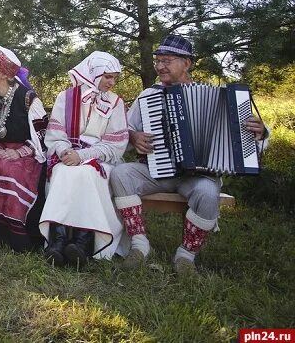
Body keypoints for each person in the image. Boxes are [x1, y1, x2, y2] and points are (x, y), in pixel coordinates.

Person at [110, 35, 269, 274]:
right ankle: (139, 245)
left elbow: (251, 145)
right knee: (121, 173)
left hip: (198, 176)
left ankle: (186, 255)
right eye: (158, 61)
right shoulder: (149, 95)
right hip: (158, 170)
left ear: (187, 63)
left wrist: (260, 134)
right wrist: (133, 137)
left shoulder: (222, 99)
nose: (160, 66)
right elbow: (123, 131)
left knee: (207, 191)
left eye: (167, 60)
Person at [40, 51, 129, 267]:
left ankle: (83, 243)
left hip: (100, 158)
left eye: (115, 78)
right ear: (93, 73)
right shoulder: (66, 97)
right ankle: (57, 243)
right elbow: (55, 136)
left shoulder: (115, 103)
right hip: (67, 155)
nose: (111, 82)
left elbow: (115, 146)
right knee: (61, 172)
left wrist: (83, 155)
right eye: (107, 76)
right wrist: (64, 152)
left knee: (88, 173)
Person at [0, 46, 47, 252]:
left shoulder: (28, 99)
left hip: (25, 153)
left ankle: (18, 236)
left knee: (13, 168)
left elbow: (42, 138)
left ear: (6, 73)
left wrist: (18, 152)